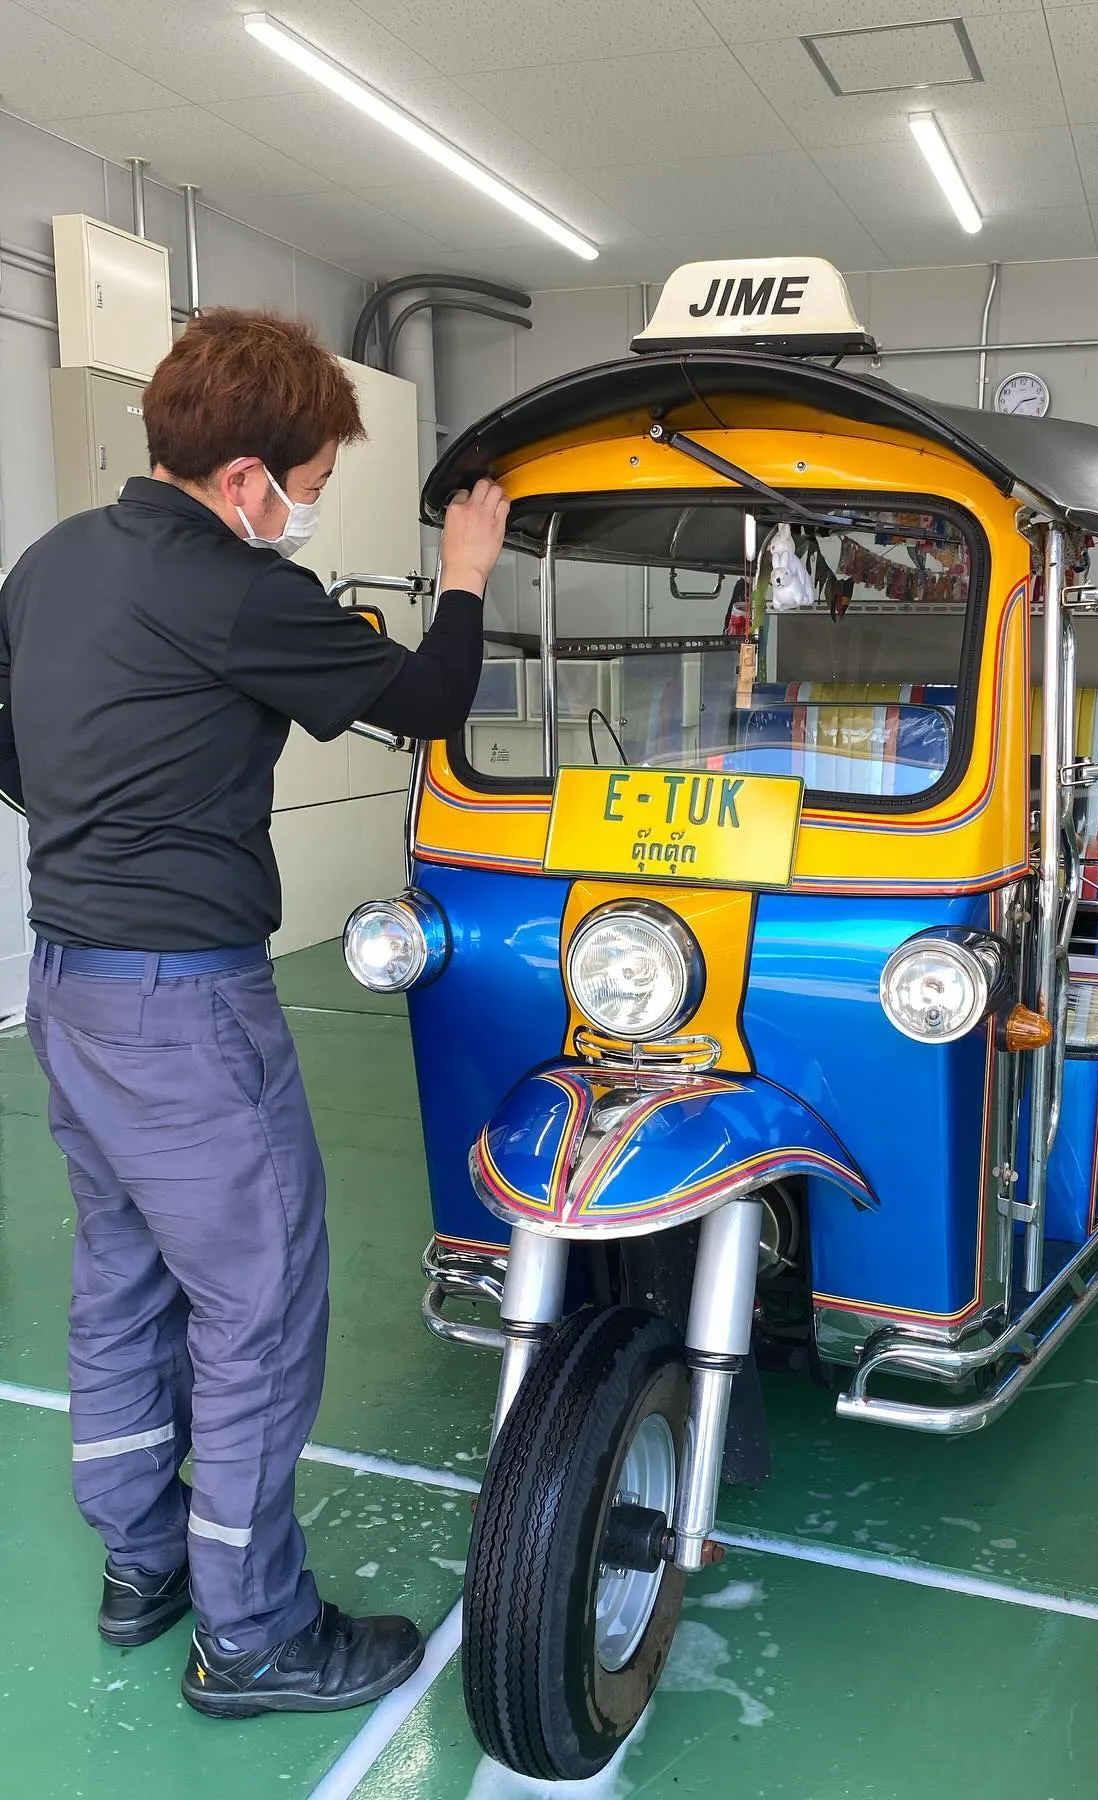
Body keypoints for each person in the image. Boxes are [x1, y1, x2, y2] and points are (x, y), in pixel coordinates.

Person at [0, 309, 507, 1718]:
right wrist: (465, 575)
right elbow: (430, 699)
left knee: (121, 1278)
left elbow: (8, 746)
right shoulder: (235, 589)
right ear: (244, 480)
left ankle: (141, 1569)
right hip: (184, 1011)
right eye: (310, 487)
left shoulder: (47, 567)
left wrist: (112, 828)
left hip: (69, 985)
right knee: (259, 1307)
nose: (302, 516)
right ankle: (259, 1634)